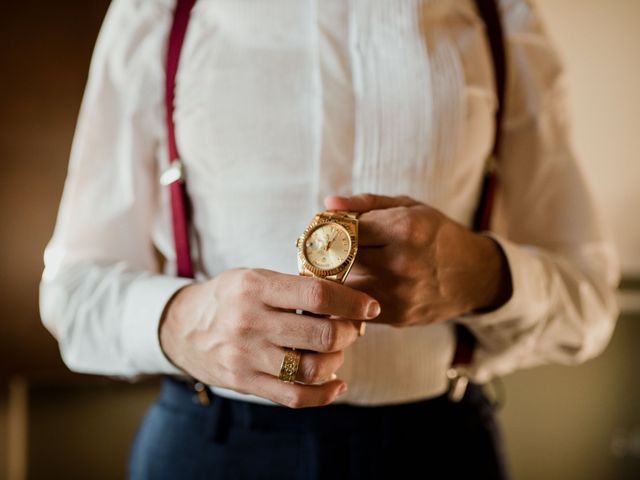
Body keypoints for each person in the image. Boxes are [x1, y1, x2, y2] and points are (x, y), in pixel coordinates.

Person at [39, 0, 619, 478]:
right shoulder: (157, 14)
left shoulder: (501, 19)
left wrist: (483, 275)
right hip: (210, 448)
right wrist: (182, 319)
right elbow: (71, 292)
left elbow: (589, 301)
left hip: (439, 450)